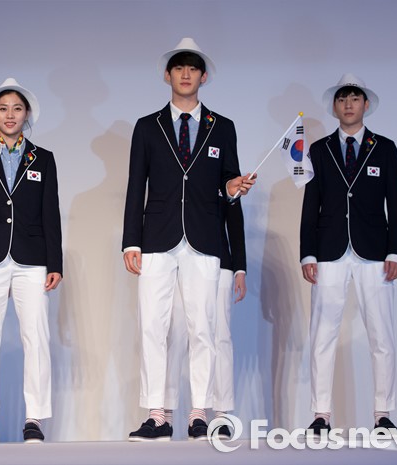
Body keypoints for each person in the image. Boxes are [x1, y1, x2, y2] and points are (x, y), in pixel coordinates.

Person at [122, 38, 255, 442]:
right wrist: (131, 241)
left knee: (203, 328)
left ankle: (199, 413)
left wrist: (231, 189)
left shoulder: (223, 127)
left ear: (203, 76)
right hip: (156, 238)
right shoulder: (148, 126)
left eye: (192, 68)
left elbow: (229, 187)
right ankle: (157, 415)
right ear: (167, 75)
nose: (185, 74)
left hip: (205, 238)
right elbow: (136, 186)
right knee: (153, 327)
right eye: (178, 67)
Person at [300, 73, 397, 436]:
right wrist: (307, 254)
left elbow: (396, 203)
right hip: (328, 252)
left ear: (366, 104)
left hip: (375, 252)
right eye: (342, 99)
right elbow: (310, 204)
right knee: (322, 334)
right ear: (334, 106)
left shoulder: (385, 148)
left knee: (381, 335)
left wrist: (396, 251)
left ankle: (382, 414)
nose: (348, 104)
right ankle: (321, 414)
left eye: (355, 98)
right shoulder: (319, 149)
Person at [0, 78, 62, 444]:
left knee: (36, 337)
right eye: (3, 108)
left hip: (32, 259)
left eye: (17, 109)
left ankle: (35, 418)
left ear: (27, 114)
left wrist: (55, 263)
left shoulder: (43, 158)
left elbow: (51, 213)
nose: (10, 115)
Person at [165, 192, 246, 440]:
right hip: (178, 261)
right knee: (176, 335)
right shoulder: (179, 174)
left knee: (220, 338)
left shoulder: (225, 178)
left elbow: (234, 221)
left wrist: (240, 268)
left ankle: (220, 416)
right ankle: (165, 415)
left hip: (219, 263)